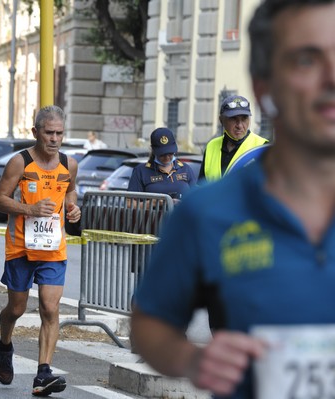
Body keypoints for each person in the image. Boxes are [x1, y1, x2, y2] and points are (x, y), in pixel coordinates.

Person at [130, 0, 335, 398]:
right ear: (264, 86)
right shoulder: (206, 213)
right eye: (307, 60)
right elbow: (150, 325)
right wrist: (193, 360)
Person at [0, 105, 81, 397]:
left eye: (59, 133)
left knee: (50, 308)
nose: (54, 139)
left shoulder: (70, 164)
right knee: (16, 308)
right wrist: (29, 208)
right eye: (49, 132)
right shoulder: (20, 163)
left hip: (53, 248)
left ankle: (43, 373)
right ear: (36, 132)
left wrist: (72, 207)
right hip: (21, 247)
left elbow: (70, 191)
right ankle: (5, 345)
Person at [198, 94, 268, 182]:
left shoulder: (262, 147)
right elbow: (201, 186)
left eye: (244, 119)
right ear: (221, 120)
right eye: (233, 119)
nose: (239, 125)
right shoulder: (211, 146)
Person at [127, 127, 197, 202]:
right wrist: (150, 204)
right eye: (162, 154)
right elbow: (129, 203)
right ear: (154, 151)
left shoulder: (185, 169)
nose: (167, 157)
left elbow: (197, 197)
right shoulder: (141, 171)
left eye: (170, 153)